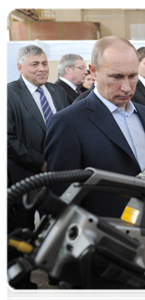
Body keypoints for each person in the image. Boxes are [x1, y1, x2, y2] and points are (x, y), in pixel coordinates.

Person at [44, 36, 145, 300]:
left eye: (132, 76)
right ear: (93, 71)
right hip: (103, 260)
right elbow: (61, 200)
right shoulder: (68, 122)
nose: (127, 87)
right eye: (116, 77)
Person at [5, 44, 69, 300]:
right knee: (21, 237)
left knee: (59, 229)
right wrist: (41, 162)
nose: (42, 68)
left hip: (60, 177)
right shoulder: (8, 93)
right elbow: (7, 138)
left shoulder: (56, 91)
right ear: (20, 67)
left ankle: (61, 275)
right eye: (35, 64)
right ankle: (23, 289)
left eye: (44, 63)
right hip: (26, 179)